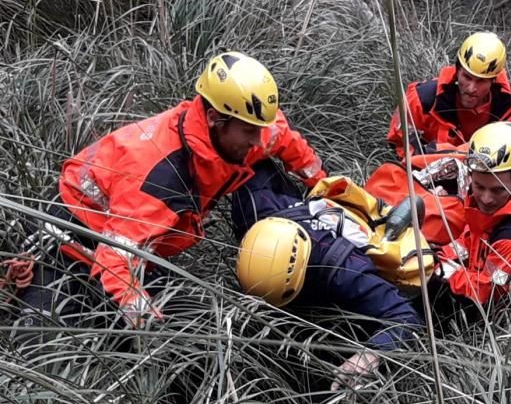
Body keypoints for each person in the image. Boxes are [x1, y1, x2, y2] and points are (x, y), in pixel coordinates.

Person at [13, 51, 328, 331]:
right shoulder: (161, 179)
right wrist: (149, 328)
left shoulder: (247, 127)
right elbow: (115, 260)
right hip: (74, 236)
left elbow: (285, 140)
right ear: (215, 119)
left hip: (135, 232)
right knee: (43, 337)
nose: (260, 140)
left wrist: (323, 188)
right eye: (250, 132)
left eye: (261, 129)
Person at [232, 162, 424, 389]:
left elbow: (404, 316)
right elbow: (253, 163)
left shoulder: (344, 270)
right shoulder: (253, 207)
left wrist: (371, 356)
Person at [431, 121, 511, 308]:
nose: (485, 199)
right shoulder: (499, 206)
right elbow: (468, 240)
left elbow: (488, 293)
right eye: (479, 186)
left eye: (497, 190)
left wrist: (436, 268)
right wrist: (435, 255)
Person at [386, 31, 511, 159]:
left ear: (493, 80)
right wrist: (421, 158)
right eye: (467, 77)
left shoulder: (506, 111)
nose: (471, 88)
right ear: (457, 71)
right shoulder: (422, 101)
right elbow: (398, 141)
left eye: (481, 81)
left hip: (483, 178)